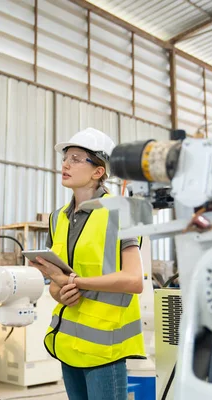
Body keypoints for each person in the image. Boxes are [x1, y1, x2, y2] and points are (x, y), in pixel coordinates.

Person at [31, 127, 145, 400]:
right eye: (65, 158)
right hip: (69, 344)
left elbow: (134, 280)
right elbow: (57, 286)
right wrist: (61, 291)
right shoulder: (57, 217)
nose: (65, 164)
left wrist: (76, 283)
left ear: (98, 171)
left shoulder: (123, 211)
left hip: (106, 348)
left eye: (76, 158)